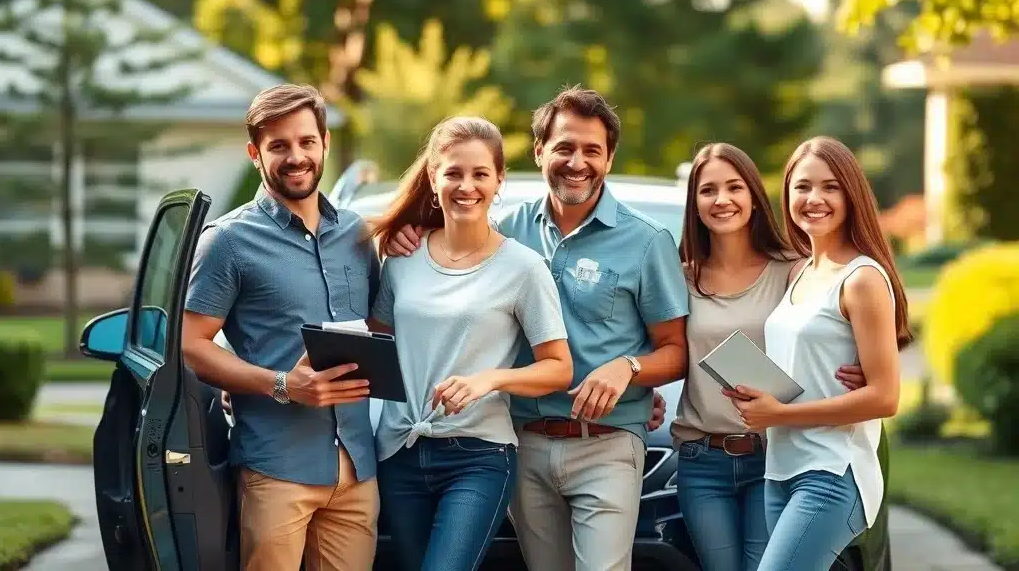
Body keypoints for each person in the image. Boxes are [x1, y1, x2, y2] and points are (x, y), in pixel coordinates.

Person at [386, 85, 689, 571]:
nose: (577, 161)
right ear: (539, 151)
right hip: (519, 440)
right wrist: (415, 233)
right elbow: (447, 262)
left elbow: (675, 352)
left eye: (592, 150)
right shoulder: (504, 232)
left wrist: (628, 368)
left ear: (609, 159)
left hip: (608, 443)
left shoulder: (647, 241)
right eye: (564, 147)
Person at [181, 83, 380, 571]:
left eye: (306, 142)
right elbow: (190, 344)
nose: (297, 156)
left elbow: (381, 324)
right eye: (279, 146)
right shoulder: (228, 240)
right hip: (276, 469)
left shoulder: (357, 234)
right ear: (255, 153)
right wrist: (280, 384)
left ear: (325, 144)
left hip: (356, 470)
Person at [365, 115, 573, 571]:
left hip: (478, 456)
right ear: (433, 178)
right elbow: (375, 341)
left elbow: (559, 367)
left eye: (481, 174)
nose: (467, 186)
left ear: (500, 179)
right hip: (399, 451)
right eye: (454, 173)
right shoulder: (402, 259)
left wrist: (489, 380)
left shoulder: (523, 267)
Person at [670, 142, 867, 571]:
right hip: (701, 461)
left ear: (755, 198)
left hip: (773, 455)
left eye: (734, 187)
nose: (722, 200)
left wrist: (866, 366)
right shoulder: (678, 277)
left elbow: (843, 321)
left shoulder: (794, 269)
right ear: (695, 204)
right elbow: (664, 350)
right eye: (708, 191)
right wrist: (645, 392)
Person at [724, 136, 909, 571]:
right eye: (802, 186)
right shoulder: (802, 271)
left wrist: (776, 415)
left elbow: (886, 398)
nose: (814, 199)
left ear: (852, 195)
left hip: (833, 472)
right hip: (782, 469)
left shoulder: (861, 278)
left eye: (831, 187)